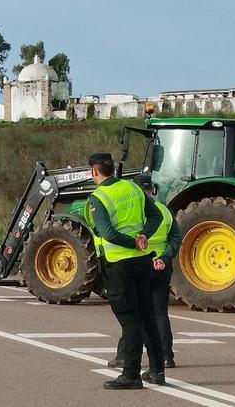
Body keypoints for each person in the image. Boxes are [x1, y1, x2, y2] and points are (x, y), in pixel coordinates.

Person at [84, 152, 165, 389]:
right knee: (146, 316)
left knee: (129, 320)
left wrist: (131, 242)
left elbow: (107, 233)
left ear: (93, 171)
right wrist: (143, 237)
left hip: (119, 264)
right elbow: (156, 215)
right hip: (142, 261)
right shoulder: (133, 188)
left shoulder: (98, 198)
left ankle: (131, 374)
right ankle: (158, 370)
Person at [108, 178, 182, 369]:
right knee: (159, 314)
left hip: (140, 266)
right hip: (161, 268)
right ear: (152, 190)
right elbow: (175, 238)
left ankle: (124, 356)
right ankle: (166, 356)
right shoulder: (164, 211)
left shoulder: (133, 214)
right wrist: (164, 259)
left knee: (134, 313)